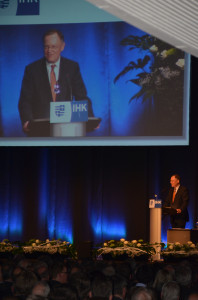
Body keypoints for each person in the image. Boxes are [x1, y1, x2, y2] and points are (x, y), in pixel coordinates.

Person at [18, 29, 94, 133]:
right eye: (46, 46)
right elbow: (24, 101)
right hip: (39, 129)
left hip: (67, 128)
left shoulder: (72, 67)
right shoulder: (32, 70)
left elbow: (82, 97)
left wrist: (90, 118)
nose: (49, 50)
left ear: (62, 46)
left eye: (53, 46)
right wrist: (27, 120)